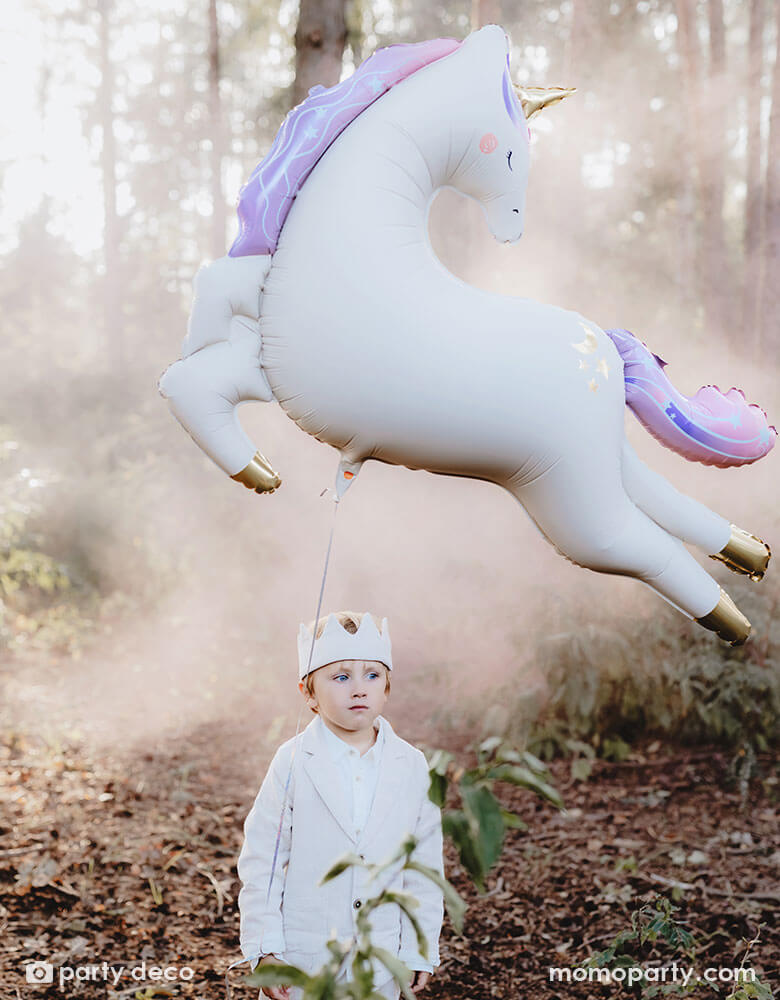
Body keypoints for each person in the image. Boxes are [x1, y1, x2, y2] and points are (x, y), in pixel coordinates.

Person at [237, 611, 444, 1000]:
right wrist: (266, 947)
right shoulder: (294, 760)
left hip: (379, 962)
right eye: (341, 677)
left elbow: (424, 864)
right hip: (303, 959)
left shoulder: (411, 764)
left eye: (372, 675)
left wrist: (419, 947)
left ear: (387, 687)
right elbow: (264, 857)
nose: (359, 689)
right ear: (308, 694)